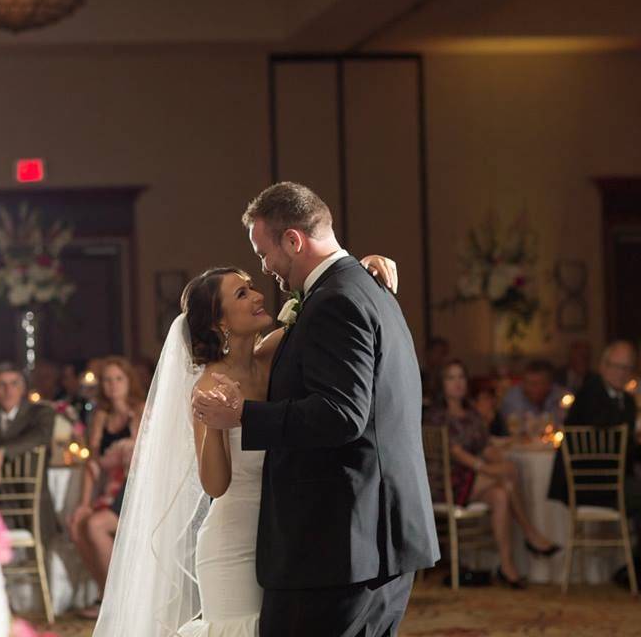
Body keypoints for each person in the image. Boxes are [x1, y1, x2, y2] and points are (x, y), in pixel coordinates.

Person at [92, 242, 404, 634]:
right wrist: (215, 424)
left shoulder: (274, 351)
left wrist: (365, 267)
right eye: (242, 293)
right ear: (219, 321)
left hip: (284, 535)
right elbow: (215, 486)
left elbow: (328, 308)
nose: (258, 295)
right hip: (233, 539)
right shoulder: (208, 384)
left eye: (252, 285)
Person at [194, 182, 439, 637]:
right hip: (371, 537)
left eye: (265, 254)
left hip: (338, 543)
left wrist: (243, 417)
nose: (265, 271)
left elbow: (341, 414)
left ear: (294, 240)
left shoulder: (337, 300)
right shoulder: (366, 287)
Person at [547, 341, 641, 591]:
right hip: (590, 482)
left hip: (615, 480)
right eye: (617, 367)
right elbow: (607, 436)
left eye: (627, 368)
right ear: (604, 366)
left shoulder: (627, 402)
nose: (622, 373)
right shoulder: (591, 393)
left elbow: (623, 444)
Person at [426, 360, 558, 588]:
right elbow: (456, 453)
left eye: (461, 377)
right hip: (445, 482)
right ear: (442, 383)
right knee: (504, 480)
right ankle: (530, 533)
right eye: (451, 378)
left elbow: (486, 447)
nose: (457, 383)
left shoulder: (472, 414)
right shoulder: (436, 415)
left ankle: (507, 567)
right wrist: (491, 469)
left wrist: (503, 462)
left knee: (501, 494)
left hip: (473, 479)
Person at [69, 357, 145, 619]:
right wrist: (83, 504)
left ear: (129, 381)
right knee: (78, 524)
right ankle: (106, 596)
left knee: (95, 526)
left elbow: (144, 460)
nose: (112, 385)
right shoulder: (100, 416)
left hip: (133, 489)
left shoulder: (140, 410)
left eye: (118, 379)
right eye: (107, 380)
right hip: (108, 488)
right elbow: (92, 465)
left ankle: (122, 599)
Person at [0, 361, 59, 539]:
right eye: (1, 385)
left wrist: (2, 452)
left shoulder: (41, 413)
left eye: (14, 384)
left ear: (23, 388)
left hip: (31, 500)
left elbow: (41, 435)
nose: (8, 390)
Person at [500, 359, 569, 429]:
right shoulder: (512, 398)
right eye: (527, 382)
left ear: (549, 384)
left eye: (536, 383)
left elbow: (562, 425)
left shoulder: (563, 397)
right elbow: (517, 428)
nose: (530, 387)